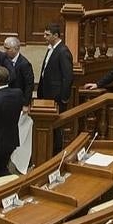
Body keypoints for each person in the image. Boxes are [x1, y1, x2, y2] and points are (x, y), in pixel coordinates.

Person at [37, 23, 73, 153]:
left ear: (56, 35)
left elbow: (67, 77)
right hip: (47, 94)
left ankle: (56, 153)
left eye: (47, 35)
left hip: (56, 97)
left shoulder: (63, 51)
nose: (44, 37)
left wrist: (63, 98)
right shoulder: (51, 48)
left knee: (57, 128)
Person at [4, 37, 35, 112]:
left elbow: (29, 85)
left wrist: (26, 104)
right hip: (5, 98)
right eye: (4, 48)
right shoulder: (4, 59)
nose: (5, 51)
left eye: (8, 48)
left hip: (18, 100)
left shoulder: (25, 64)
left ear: (16, 49)